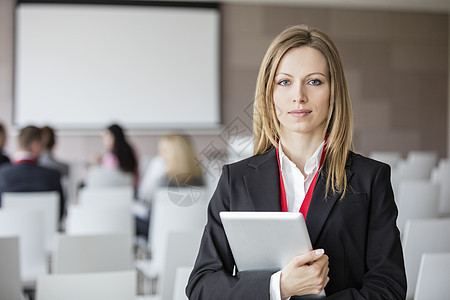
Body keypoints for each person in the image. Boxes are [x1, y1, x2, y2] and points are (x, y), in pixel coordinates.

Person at [186, 25, 406, 299]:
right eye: (284, 82)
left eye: (314, 81)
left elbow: (389, 287)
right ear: (269, 93)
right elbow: (201, 286)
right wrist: (279, 287)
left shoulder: (370, 179)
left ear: (333, 91)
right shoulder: (235, 180)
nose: (298, 96)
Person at [135, 133, 204, 238]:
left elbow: (151, 215)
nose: (160, 155)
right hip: (192, 236)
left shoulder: (163, 183)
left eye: (163, 151)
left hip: (161, 235)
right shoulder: (201, 181)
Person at [0, 125, 65, 219]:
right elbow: (59, 214)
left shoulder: (2, 175)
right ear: (36, 145)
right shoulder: (52, 176)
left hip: (8, 232)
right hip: (44, 232)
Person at [89, 123, 139, 188]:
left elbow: (108, 177)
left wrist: (99, 163)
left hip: (111, 191)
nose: (104, 140)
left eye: (105, 137)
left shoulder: (110, 157)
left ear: (113, 137)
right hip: (130, 190)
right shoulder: (131, 152)